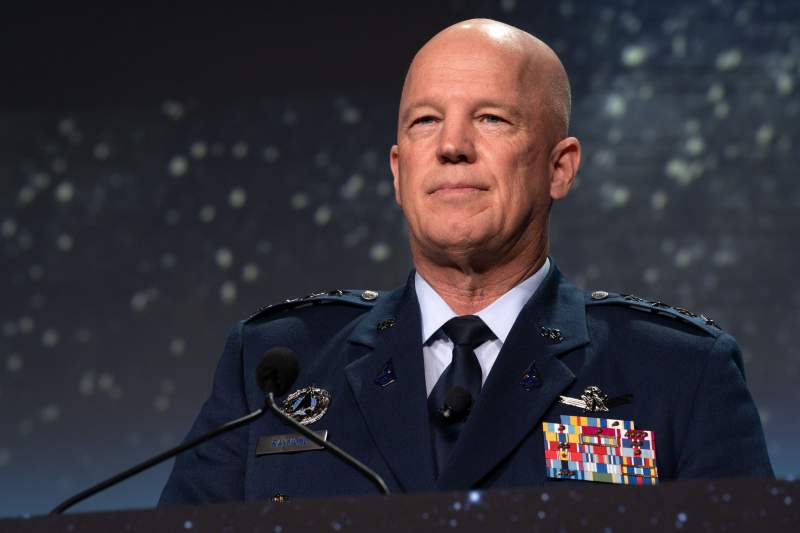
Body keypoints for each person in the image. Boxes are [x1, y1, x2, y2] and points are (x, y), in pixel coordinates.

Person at [159, 19, 772, 503]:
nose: (452, 146)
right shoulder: (273, 369)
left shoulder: (680, 374)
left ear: (559, 168)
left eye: (491, 119)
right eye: (426, 121)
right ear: (399, 172)